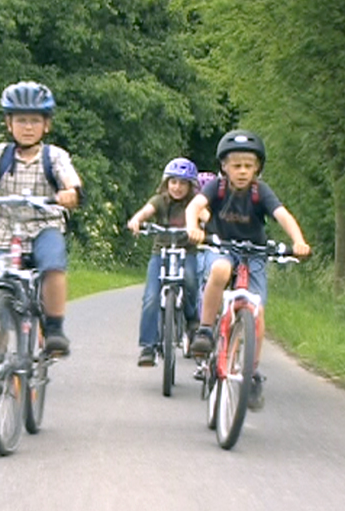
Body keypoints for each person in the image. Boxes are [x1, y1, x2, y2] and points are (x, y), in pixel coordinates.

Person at [0, 81, 83, 356]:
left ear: (46, 125)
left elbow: (70, 179)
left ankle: (55, 329)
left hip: (44, 226)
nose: (27, 127)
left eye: (35, 121)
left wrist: (70, 192)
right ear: (8, 123)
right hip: (8, 232)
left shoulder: (54, 156)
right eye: (21, 120)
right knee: (2, 283)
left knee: (52, 266)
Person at [185, 129, 311, 411]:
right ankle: (205, 331)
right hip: (223, 244)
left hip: (254, 252)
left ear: (257, 169)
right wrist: (192, 226)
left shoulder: (260, 192)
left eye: (248, 166)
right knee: (218, 270)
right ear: (224, 167)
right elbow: (195, 206)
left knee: (257, 310)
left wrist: (298, 241)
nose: (242, 171)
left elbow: (282, 215)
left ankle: (251, 373)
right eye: (236, 165)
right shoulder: (216, 188)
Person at [126, 157, 203, 367]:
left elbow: (205, 214)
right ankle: (148, 347)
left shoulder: (194, 203)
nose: (177, 187)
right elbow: (145, 212)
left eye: (183, 183)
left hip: (187, 251)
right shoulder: (159, 200)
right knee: (151, 296)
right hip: (161, 252)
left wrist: (204, 226)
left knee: (190, 280)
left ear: (191, 186)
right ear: (166, 183)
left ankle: (192, 322)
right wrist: (137, 221)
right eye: (173, 182)